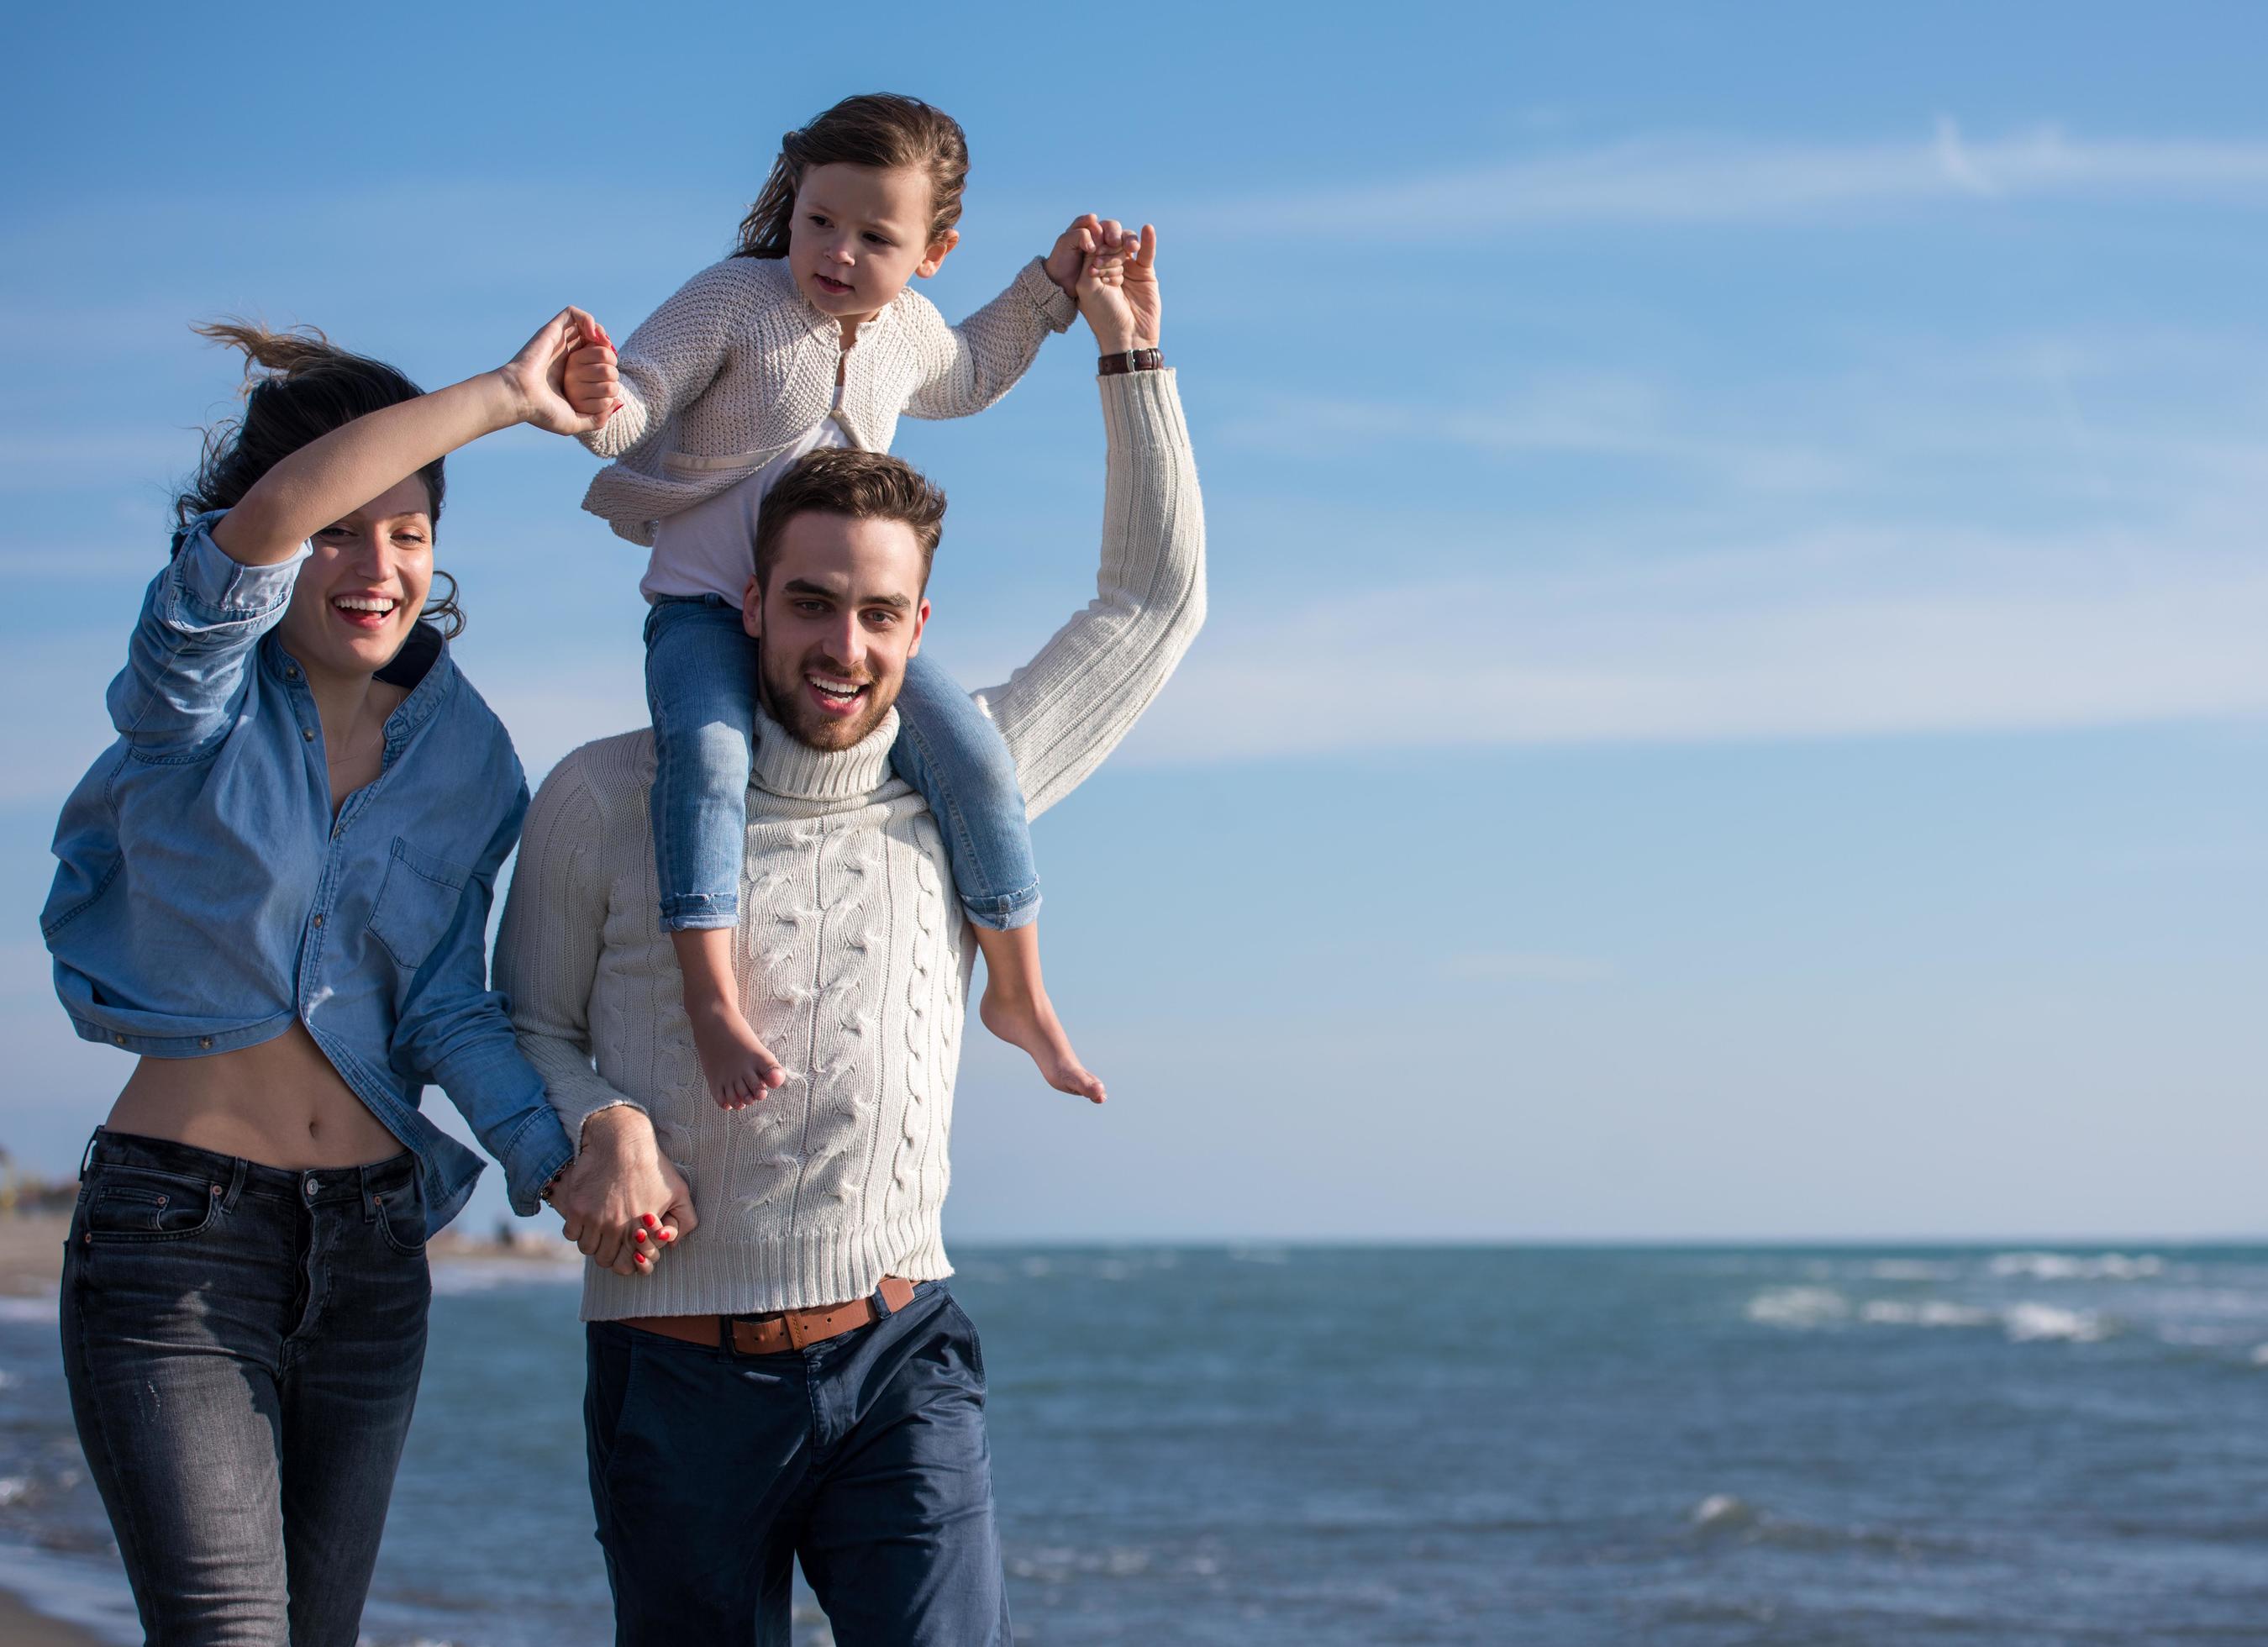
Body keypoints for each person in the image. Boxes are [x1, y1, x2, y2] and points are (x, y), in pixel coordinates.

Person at [495, 228, 1197, 1642]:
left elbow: (1148, 607)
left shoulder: (964, 774)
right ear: (746, 602)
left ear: (916, 623)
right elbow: (526, 1025)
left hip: (898, 1352)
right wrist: (599, 1125)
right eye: (809, 603)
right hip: (670, 1370)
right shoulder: (603, 794)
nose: (842, 646)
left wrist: (1127, 352)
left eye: (878, 615)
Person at [39, 312, 685, 1644]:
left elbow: (445, 1002)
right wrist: (506, 398)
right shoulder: (194, 698)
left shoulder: (472, 757)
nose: (374, 564)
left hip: (374, 1250)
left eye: (409, 533)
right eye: (345, 529)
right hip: (176, 1240)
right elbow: (267, 519)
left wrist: (566, 1147)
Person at [565, 90, 1114, 1112]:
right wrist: (599, 397)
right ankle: (712, 996)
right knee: (713, 759)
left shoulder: (905, 329)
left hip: (843, 636)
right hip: (701, 614)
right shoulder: (734, 297)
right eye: (820, 220)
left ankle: (1020, 991)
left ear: (933, 250)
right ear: (794, 204)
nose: (838, 251)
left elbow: (974, 370)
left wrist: (1049, 289)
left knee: (976, 756)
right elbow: (641, 388)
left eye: (875, 235)